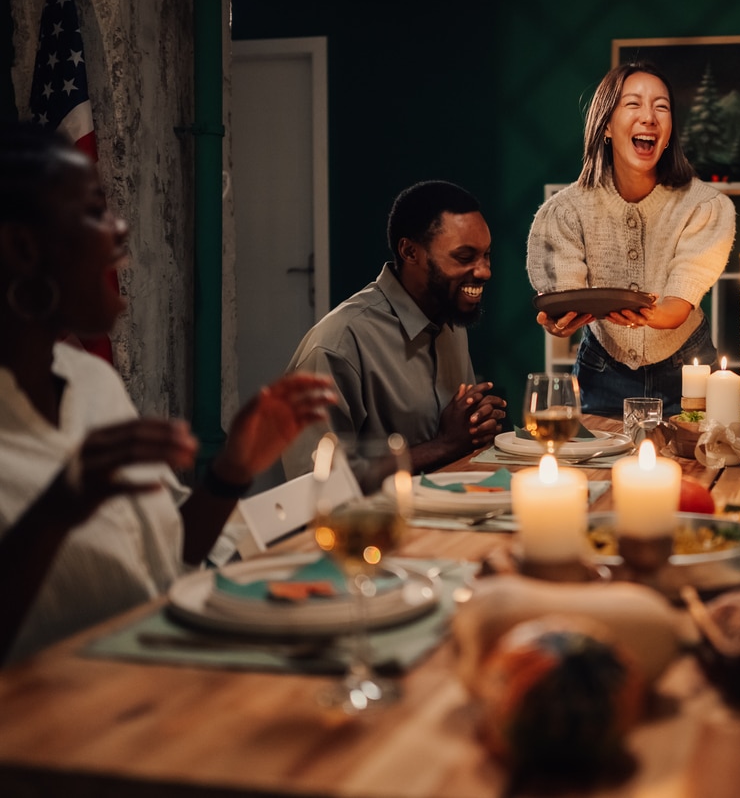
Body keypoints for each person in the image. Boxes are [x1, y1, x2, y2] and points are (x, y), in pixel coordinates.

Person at [0, 122, 336, 663]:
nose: (120, 230)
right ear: (21, 246)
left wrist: (233, 469)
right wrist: (56, 510)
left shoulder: (91, 381)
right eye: (93, 211)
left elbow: (163, 558)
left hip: (165, 684)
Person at [526, 61, 735, 417]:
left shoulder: (706, 207)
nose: (649, 117)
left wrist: (640, 311)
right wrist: (559, 321)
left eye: (662, 106)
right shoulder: (565, 212)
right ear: (606, 124)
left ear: (669, 133)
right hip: (601, 373)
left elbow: (675, 308)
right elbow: (567, 300)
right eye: (633, 104)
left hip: (690, 373)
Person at [282, 180, 506, 491]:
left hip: (451, 518)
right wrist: (444, 445)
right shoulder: (337, 345)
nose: (484, 272)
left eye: (486, 256)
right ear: (410, 251)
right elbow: (312, 486)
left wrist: (474, 426)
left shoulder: (448, 317)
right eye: (465, 257)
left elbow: (457, 444)